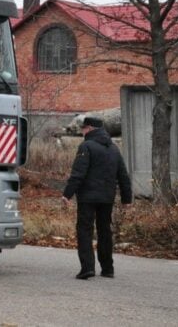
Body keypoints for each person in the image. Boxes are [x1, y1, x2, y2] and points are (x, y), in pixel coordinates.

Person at [62, 115, 133, 280]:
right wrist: (126, 199)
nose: (82, 132)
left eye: (83, 129)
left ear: (89, 129)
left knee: (85, 231)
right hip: (107, 198)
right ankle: (108, 268)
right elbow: (123, 176)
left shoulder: (86, 146)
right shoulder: (114, 149)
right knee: (104, 231)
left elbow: (78, 174)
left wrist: (67, 194)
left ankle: (87, 268)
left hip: (88, 198)